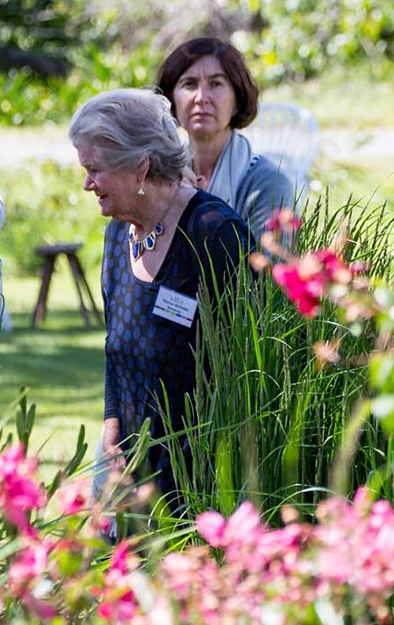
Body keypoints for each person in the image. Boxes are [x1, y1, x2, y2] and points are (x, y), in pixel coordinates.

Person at [72, 89, 255, 509]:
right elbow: (115, 348)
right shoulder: (119, 233)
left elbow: (249, 369)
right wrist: (112, 426)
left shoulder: (215, 234)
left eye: (95, 169)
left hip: (205, 479)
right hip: (131, 472)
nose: (86, 184)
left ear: (140, 168)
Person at [153, 37, 296, 235]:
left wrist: (197, 210)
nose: (201, 98)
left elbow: (265, 264)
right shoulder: (162, 175)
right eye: (189, 84)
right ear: (171, 100)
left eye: (216, 84)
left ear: (237, 99)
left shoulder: (268, 184)